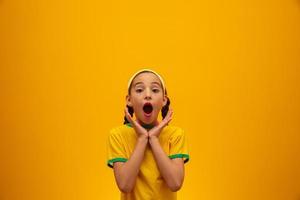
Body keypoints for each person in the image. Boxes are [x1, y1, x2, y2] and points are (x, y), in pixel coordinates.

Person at [106, 69, 190, 200]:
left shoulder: (175, 134)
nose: (147, 95)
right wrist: (142, 138)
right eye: (139, 90)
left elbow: (175, 183)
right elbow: (125, 185)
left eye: (155, 90)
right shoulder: (118, 135)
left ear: (163, 100)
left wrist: (154, 139)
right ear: (129, 100)